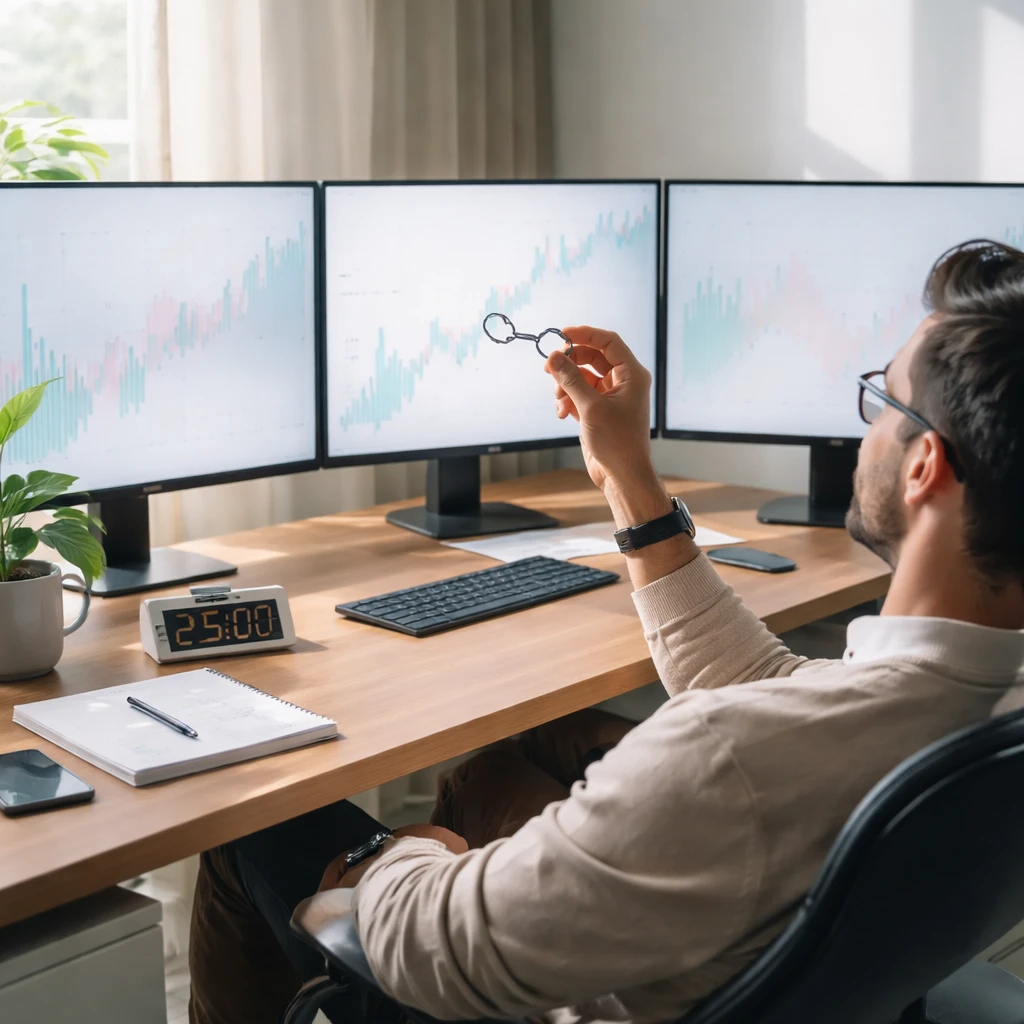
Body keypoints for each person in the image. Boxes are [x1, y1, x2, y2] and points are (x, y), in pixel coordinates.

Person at [189, 240, 1024, 1024]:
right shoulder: (987, 694)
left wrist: (399, 855)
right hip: (782, 959)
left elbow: (431, 946)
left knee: (250, 822)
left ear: (924, 466)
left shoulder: (733, 758)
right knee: (501, 765)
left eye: (882, 400)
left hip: (539, 996)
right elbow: (773, 696)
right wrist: (626, 472)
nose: (865, 427)